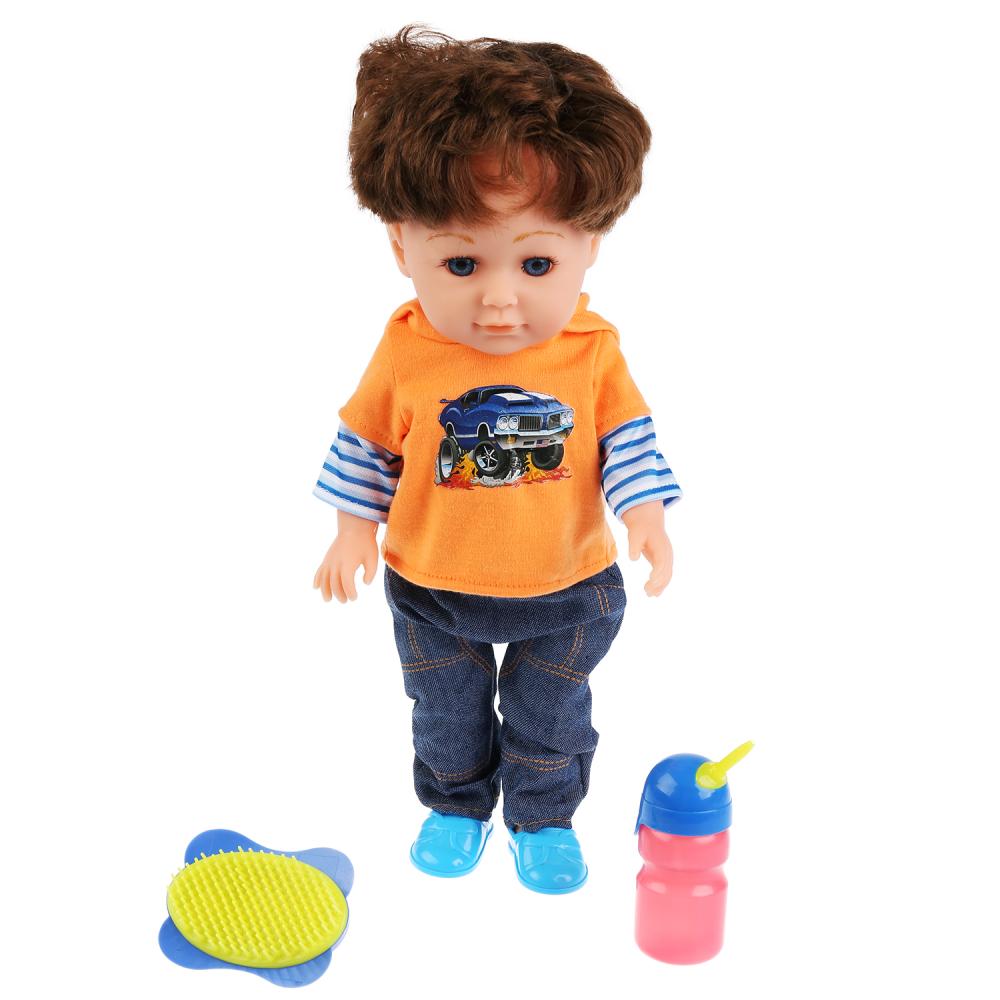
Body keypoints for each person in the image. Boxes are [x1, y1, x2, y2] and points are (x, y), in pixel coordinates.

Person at [312, 25, 682, 894]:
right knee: (445, 712)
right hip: (433, 588)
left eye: (538, 261)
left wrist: (646, 516)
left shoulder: (590, 351)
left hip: (567, 589)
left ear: (590, 246)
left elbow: (626, 440)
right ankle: (455, 805)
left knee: (550, 713)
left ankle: (543, 818)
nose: (501, 299)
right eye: (461, 261)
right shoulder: (407, 349)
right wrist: (351, 530)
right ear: (401, 246)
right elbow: (368, 443)